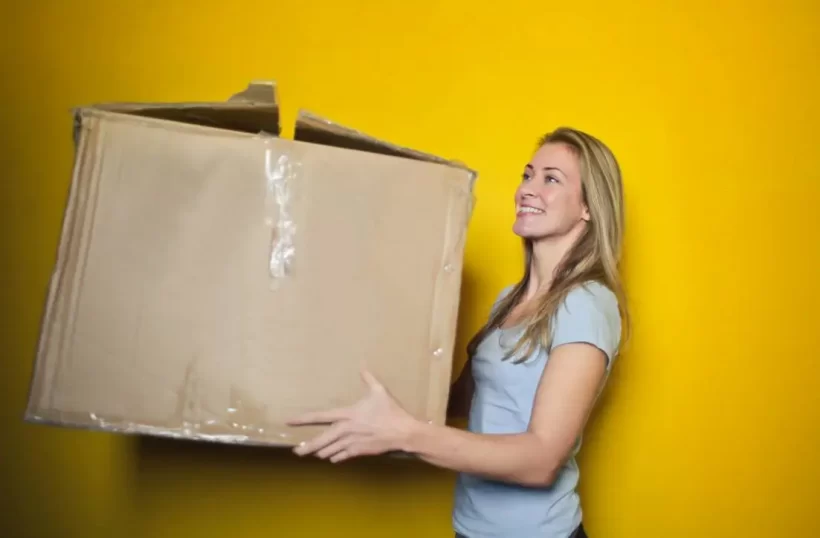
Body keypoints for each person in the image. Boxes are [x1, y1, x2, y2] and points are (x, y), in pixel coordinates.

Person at [287, 126, 628, 538]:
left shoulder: (586, 304)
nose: (527, 190)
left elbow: (541, 461)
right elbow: (463, 398)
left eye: (551, 179)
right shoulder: (509, 300)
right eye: (527, 175)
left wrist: (407, 435)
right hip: (471, 529)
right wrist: (353, 386)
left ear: (589, 207)